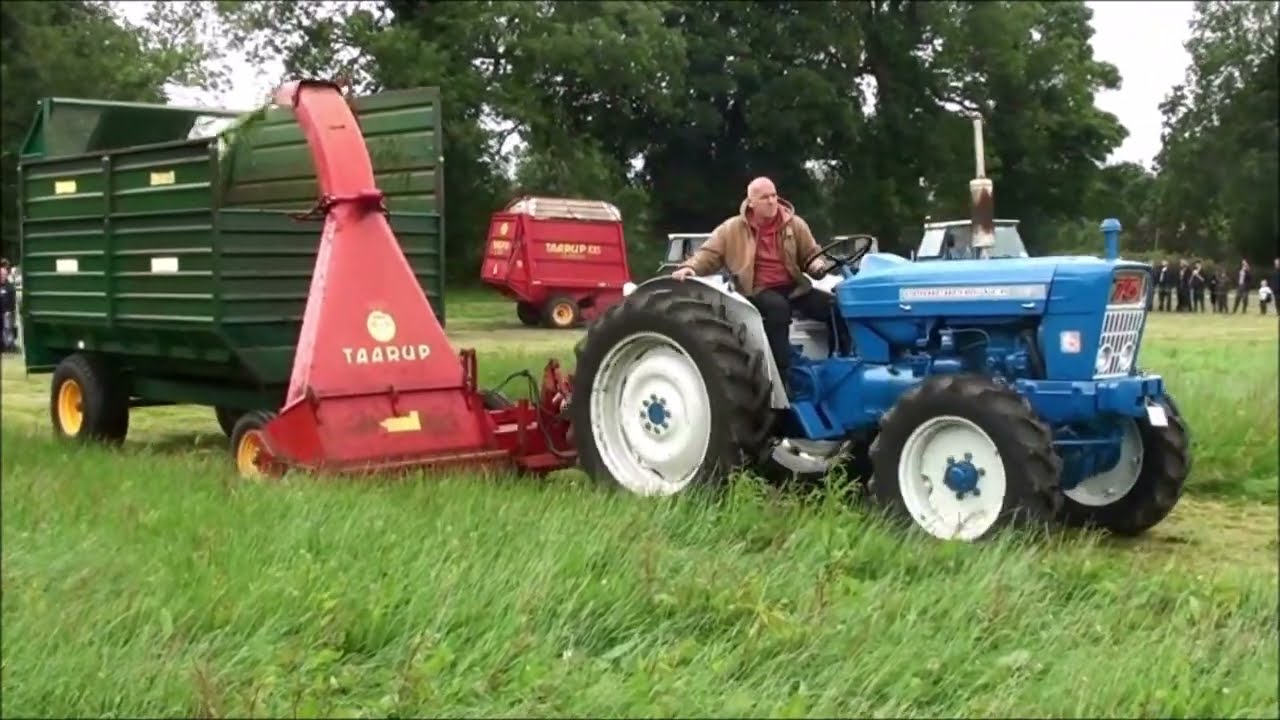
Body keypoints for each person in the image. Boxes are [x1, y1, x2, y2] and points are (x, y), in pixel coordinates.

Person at [672, 177, 845, 394]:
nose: (772, 201)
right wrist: (692, 268)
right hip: (756, 288)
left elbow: (810, 255)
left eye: (774, 195)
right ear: (751, 202)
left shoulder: (794, 224)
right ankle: (781, 381)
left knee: (835, 306)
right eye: (765, 197)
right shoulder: (732, 229)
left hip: (792, 286)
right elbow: (709, 254)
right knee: (777, 309)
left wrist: (818, 266)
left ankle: (844, 362)